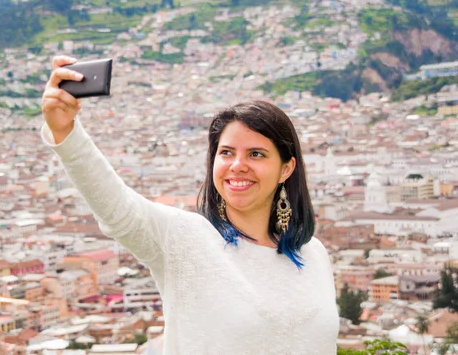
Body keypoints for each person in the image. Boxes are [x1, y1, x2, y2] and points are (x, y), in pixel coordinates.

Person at [40, 56, 340, 354]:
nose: (237, 165)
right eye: (226, 153)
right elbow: (118, 210)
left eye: (256, 154)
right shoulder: (185, 239)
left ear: (286, 169)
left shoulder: (313, 254)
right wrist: (67, 134)